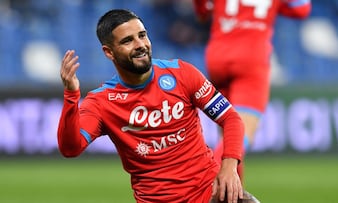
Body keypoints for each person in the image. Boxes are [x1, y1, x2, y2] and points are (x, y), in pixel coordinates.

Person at [58, 9, 260, 203]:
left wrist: (229, 166)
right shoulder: (101, 103)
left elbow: (231, 118)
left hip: (209, 193)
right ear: (109, 52)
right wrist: (71, 95)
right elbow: (71, 148)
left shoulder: (182, 74)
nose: (140, 45)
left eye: (142, 35)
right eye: (128, 41)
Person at [192, 0, 312, 180]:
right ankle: (201, 185)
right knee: (237, 140)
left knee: (229, 139)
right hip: (251, 59)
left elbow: (202, 12)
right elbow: (301, 10)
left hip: (218, 57)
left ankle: (232, 197)